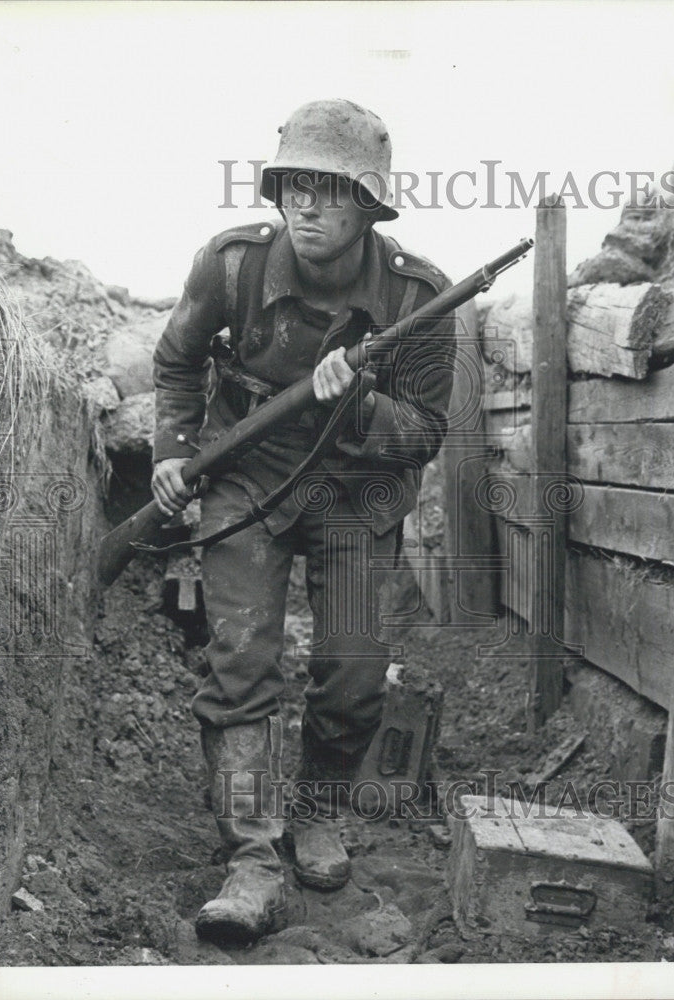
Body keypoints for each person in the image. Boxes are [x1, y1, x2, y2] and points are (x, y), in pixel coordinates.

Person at [150, 98, 457, 943]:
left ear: (368, 203)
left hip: (353, 493)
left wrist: (359, 408)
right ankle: (249, 857)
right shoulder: (233, 266)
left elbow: (425, 433)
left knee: (353, 671)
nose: (307, 206)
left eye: (330, 189)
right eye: (295, 187)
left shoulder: (417, 297)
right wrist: (173, 453)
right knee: (241, 665)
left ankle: (315, 815)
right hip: (244, 479)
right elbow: (177, 363)